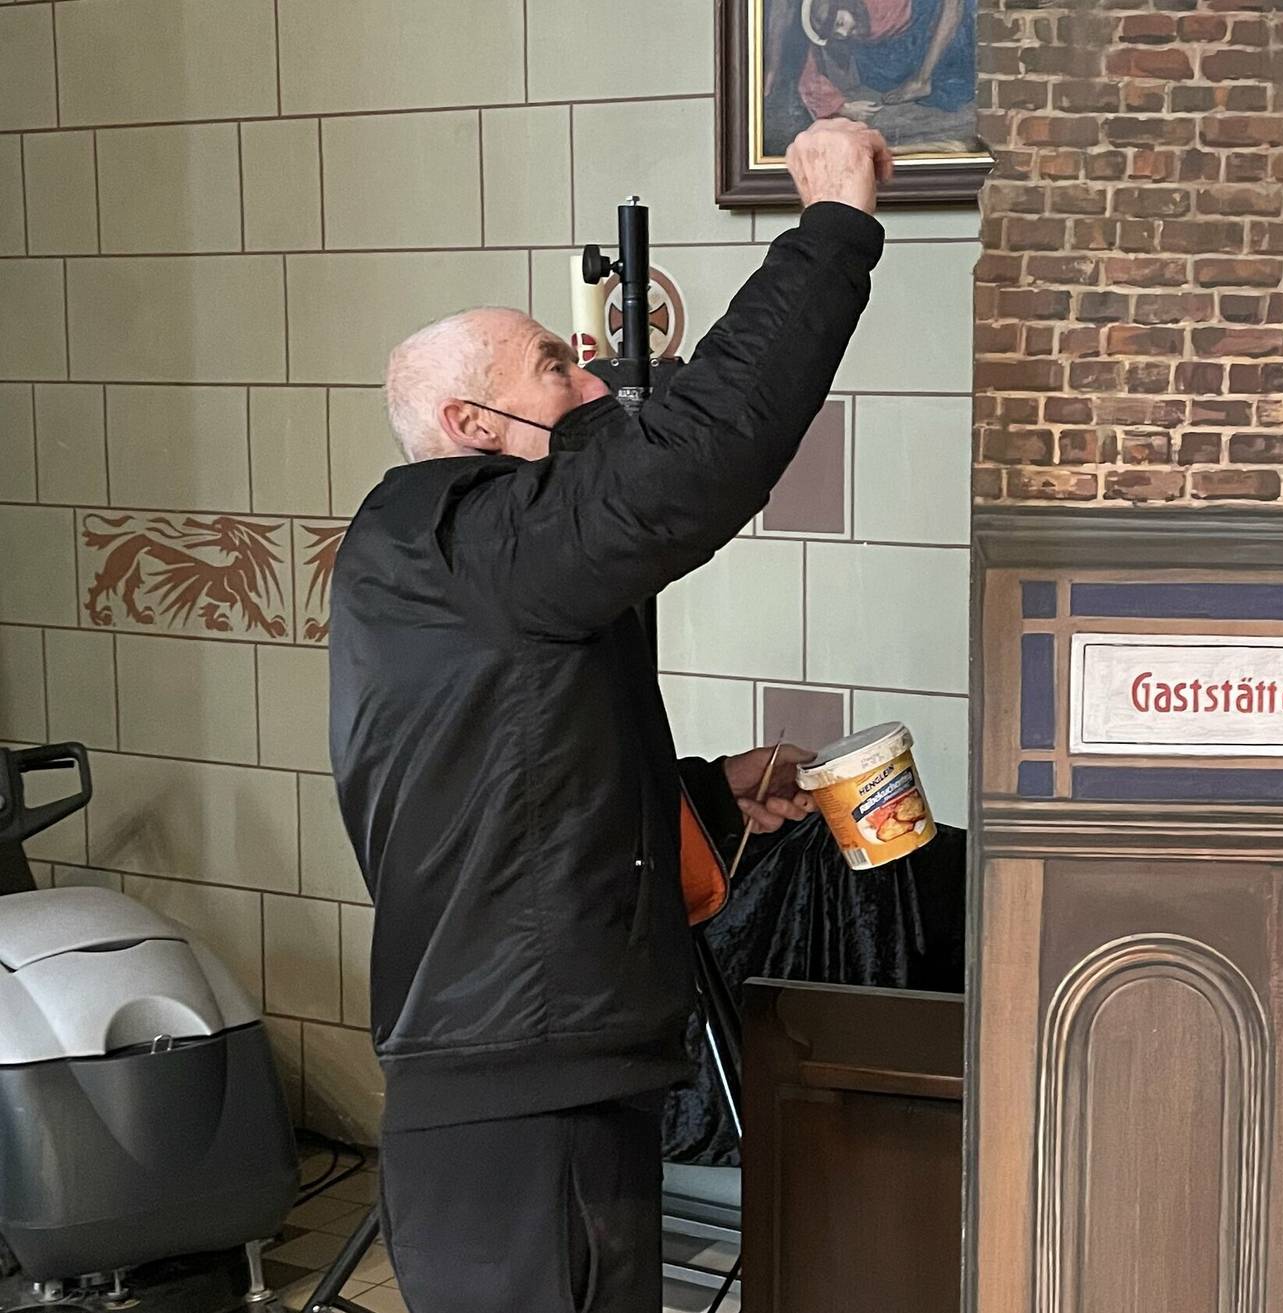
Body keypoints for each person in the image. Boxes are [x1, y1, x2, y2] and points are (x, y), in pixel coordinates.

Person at [326, 119, 894, 1311]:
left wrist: (702, 792)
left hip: (543, 1078)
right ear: (472, 425)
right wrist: (833, 229)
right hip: (519, 1099)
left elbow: (518, 788)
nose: (591, 386)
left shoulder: (476, 557)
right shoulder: (457, 527)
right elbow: (692, 462)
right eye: (554, 367)